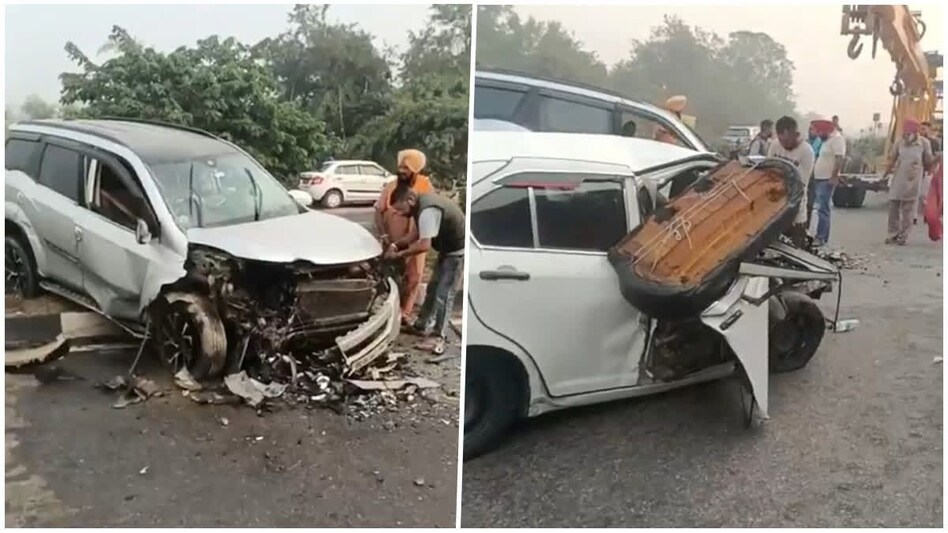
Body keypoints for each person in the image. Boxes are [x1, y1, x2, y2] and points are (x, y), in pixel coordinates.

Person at [385, 190, 466, 355]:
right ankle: (421, 325)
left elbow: (424, 245)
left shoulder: (428, 210)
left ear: (410, 199)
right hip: (446, 250)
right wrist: (396, 245)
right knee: (432, 289)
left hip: (457, 252)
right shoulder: (420, 207)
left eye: (401, 209)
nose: (401, 214)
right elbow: (416, 234)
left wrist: (399, 255)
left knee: (444, 294)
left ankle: (438, 336)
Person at [373, 149, 434, 321]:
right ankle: (388, 313)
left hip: (417, 242)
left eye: (406, 168)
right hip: (392, 241)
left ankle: (405, 314)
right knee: (390, 278)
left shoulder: (425, 187)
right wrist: (384, 236)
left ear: (415, 170)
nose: (401, 171)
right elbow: (378, 211)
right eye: (400, 167)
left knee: (414, 278)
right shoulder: (392, 186)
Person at [767, 116, 815, 246]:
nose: (784, 144)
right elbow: (768, 169)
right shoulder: (775, 145)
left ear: (795, 133)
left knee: (796, 245)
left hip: (796, 205)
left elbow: (801, 183)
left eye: (787, 140)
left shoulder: (806, 152)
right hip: (774, 203)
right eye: (782, 140)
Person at [884, 119, 933, 245]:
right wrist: (885, 174)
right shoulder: (899, 142)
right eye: (905, 133)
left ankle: (903, 236)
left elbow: (928, 160)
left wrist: (926, 171)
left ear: (915, 132)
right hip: (898, 177)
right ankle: (892, 234)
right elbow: (892, 159)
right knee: (893, 205)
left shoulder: (923, 143)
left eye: (909, 133)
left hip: (913, 179)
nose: (906, 135)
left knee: (908, 208)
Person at [810, 118, 846, 246]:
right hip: (819, 178)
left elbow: (839, 159)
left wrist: (834, 176)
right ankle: (820, 236)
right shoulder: (826, 140)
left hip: (827, 179)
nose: (817, 135)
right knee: (819, 208)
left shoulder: (837, 139)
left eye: (818, 132)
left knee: (823, 209)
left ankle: (821, 237)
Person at [805, 124, 824, 229]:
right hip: (805, 174)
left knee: (809, 204)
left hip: (814, 175)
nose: (810, 131)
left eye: (812, 130)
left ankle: (806, 228)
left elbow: (818, 157)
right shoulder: (806, 142)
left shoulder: (820, 143)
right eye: (809, 129)